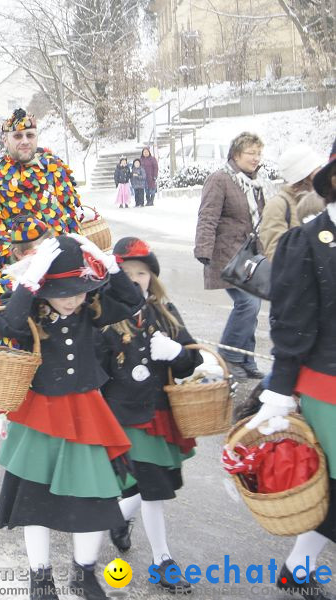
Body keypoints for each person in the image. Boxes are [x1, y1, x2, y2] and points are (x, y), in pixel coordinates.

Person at [0, 233, 144, 600]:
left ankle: (83, 573)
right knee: (34, 504)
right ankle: (40, 577)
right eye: (63, 291)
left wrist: (111, 266)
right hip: (40, 416)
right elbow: (5, 325)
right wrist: (29, 283)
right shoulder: (27, 314)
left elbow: (132, 300)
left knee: (96, 498)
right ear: (42, 289)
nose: (73, 299)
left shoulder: (93, 308)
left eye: (79, 289)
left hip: (87, 415)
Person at [245, 137, 336, 599]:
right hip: (328, 386)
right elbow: (293, 324)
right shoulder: (309, 241)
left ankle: (298, 567)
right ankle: (298, 567)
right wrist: (279, 390)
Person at [99, 237, 203, 594]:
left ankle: (119, 519)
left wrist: (175, 352)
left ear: (151, 277)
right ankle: (163, 561)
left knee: (151, 484)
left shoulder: (165, 311)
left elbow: (193, 360)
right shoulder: (105, 317)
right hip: (123, 418)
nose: (134, 279)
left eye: (141, 273)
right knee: (153, 489)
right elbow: (95, 372)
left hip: (158, 414)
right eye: (126, 273)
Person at [0, 108, 82, 301]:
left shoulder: (55, 169)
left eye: (30, 135)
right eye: (17, 136)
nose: (25, 141)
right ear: (5, 140)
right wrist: (29, 262)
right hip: (17, 278)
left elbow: (72, 219)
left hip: (62, 272)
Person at [194, 132, 271, 380]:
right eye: (251, 153)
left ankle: (245, 358)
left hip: (250, 257)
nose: (256, 158)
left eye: (258, 153)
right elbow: (207, 216)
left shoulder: (255, 183)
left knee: (253, 304)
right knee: (247, 303)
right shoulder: (220, 180)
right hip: (226, 255)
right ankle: (229, 356)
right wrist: (203, 250)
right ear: (236, 154)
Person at [259, 144, 321, 260]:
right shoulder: (278, 205)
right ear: (306, 174)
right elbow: (276, 254)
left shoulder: (324, 199)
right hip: (301, 276)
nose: (321, 171)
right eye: (316, 168)